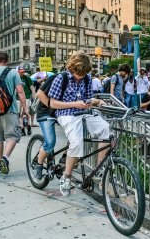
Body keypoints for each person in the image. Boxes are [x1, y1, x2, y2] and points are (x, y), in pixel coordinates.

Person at [48, 52, 109, 197]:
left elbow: (88, 99)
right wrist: (74, 104)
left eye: (83, 73)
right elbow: (53, 103)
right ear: (72, 67)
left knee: (105, 129)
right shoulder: (61, 78)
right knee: (76, 142)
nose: (80, 76)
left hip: (83, 111)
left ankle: (99, 168)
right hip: (66, 114)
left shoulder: (87, 79)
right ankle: (66, 177)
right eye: (78, 73)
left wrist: (96, 101)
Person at [0, 51, 30, 174]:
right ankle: (5, 158)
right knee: (13, 136)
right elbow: (20, 91)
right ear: (7, 61)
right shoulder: (13, 73)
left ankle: (0, 165)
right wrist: (25, 109)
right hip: (10, 110)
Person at [17, 67, 37, 135]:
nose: (22, 73)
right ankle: (22, 129)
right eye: (21, 72)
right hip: (17, 98)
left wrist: (34, 98)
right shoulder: (15, 78)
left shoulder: (27, 78)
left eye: (23, 72)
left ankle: (28, 127)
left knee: (26, 113)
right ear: (17, 72)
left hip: (27, 98)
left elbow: (32, 88)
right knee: (19, 114)